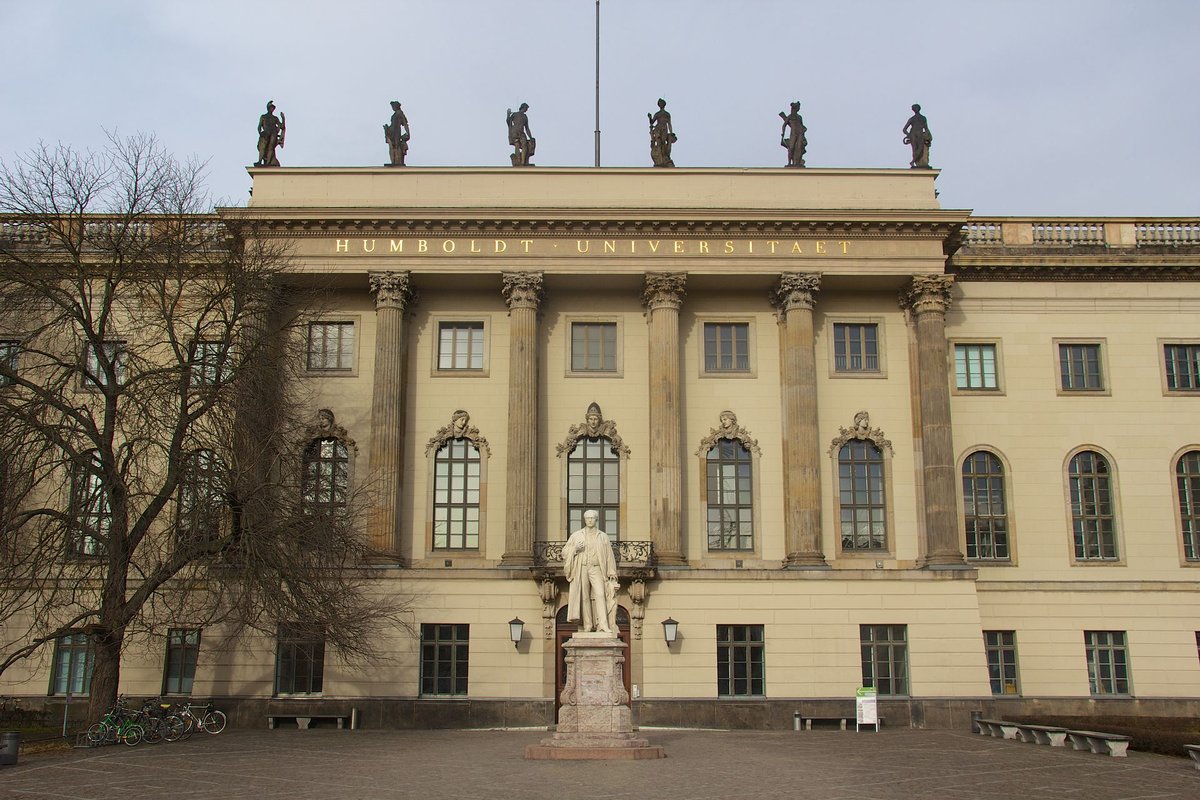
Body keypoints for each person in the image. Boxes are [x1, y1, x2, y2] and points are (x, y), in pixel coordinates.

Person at [563, 510, 618, 634]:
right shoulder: (576, 535)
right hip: (582, 567)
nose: (590, 520)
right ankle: (587, 625)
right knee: (585, 597)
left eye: (592, 518)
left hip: (597, 568)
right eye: (587, 518)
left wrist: (611, 571)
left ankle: (603, 624)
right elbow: (564, 552)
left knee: (600, 594)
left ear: (596, 519)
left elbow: (609, 555)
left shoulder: (603, 536)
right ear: (584, 519)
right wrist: (575, 549)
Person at [902, 103, 932, 169]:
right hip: (914, 135)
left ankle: (913, 161)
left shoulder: (922, 118)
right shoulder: (913, 119)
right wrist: (909, 135)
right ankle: (914, 162)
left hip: (919, 134)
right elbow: (904, 129)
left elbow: (926, 128)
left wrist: (928, 136)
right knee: (915, 149)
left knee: (920, 149)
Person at [648, 98, 676, 167]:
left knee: (663, 142)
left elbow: (669, 124)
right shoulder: (657, 114)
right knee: (659, 142)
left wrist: (671, 132)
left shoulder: (667, 114)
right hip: (658, 129)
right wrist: (650, 117)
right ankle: (660, 158)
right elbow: (652, 122)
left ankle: (664, 157)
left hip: (664, 129)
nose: (660, 105)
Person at [255, 101, 284, 167]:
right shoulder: (263, 116)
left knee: (271, 148)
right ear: (268, 108)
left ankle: (268, 163)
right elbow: (259, 126)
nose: (272, 109)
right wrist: (260, 133)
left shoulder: (275, 118)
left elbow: (282, 126)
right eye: (271, 107)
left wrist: (283, 118)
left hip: (273, 133)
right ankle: (260, 161)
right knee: (262, 147)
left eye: (273, 108)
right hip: (265, 133)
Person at [779, 101, 807, 167]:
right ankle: (789, 163)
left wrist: (803, 131)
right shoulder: (790, 116)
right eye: (798, 108)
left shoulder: (799, 117)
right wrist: (783, 133)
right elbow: (784, 125)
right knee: (791, 147)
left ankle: (798, 163)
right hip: (793, 134)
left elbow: (802, 125)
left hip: (800, 133)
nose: (798, 109)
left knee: (799, 147)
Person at [384, 101, 410, 167]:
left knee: (396, 146)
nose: (392, 108)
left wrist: (408, 133)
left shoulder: (400, 113)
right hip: (391, 132)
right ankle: (394, 161)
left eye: (393, 106)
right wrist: (387, 128)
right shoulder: (396, 114)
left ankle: (397, 161)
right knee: (392, 147)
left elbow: (405, 124)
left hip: (396, 133)